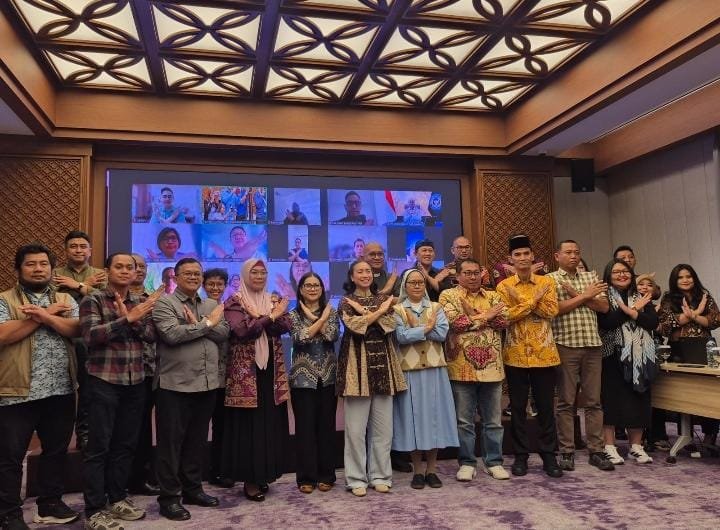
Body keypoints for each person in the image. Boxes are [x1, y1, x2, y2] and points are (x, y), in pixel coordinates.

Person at [0, 244, 80, 530]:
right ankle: (9, 513)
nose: (38, 269)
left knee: (55, 452)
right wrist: (50, 315)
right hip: (16, 391)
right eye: (31, 264)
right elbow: (3, 335)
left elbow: (76, 329)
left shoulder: (65, 298)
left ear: (51, 268)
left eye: (43, 264)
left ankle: (50, 504)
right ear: (18, 269)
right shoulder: (4, 299)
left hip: (61, 389)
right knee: (10, 457)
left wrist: (42, 315)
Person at [80, 253, 158, 530]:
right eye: (119, 267)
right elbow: (90, 336)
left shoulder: (140, 301)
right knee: (98, 448)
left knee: (125, 446)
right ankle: (94, 509)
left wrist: (134, 318)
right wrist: (126, 320)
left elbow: (151, 335)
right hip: (103, 381)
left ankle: (117, 498)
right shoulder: (93, 299)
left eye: (130, 267)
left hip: (135, 381)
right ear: (108, 270)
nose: (125, 271)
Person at [152, 258, 230, 521]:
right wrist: (207, 324)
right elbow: (172, 335)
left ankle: (193, 489)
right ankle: (169, 498)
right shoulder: (165, 303)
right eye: (188, 273)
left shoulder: (210, 304)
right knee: (171, 445)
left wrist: (196, 325)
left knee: (196, 441)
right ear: (175, 276)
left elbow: (223, 334)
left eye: (198, 273)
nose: (194, 277)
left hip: (206, 384)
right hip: (174, 385)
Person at [222, 259, 292, 502]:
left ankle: (265, 474)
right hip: (245, 376)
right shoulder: (234, 301)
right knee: (248, 427)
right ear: (244, 274)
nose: (260, 276)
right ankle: (249, 480)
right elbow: (243, 331)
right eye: (254, 272)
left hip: (270, 372)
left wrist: (261, 317)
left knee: (269, 424)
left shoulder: (272, 298)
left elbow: (285, 325)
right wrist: (270, 316)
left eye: (263, 272)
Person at [337, 260, 407, 496]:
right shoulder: (345, 301)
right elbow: (355, 326)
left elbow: (390, 324)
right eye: (360, 271)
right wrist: (378, 311)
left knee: (383, 430)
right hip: (356, 371)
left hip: (384, 369)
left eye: (368, 271)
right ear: (352, 276)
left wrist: (367, 314)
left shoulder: (382, 298)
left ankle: (380, 476)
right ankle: (356, 478)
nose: (365, 274)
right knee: (355, 431)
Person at [495, 234, 562, 478]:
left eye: (526, 254)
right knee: (518, 408)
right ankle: (520, 456)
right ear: (510, 259)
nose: (522, 258)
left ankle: (549, 455)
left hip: (544, 353)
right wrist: (533, 301)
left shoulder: (547, 282)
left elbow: (551, 311)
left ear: (533, 256)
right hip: (515, 354)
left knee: (545, 407)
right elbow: (505, 317)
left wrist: (521, 303)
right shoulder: (503, 286)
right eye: (517, 255)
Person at [547, 240, 615, 472]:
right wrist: (586, 296)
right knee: (566, 401)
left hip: (593, 345)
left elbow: (604, 307)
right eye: (568, 252)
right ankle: (567, 451)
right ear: (557, 256)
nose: (574, 256)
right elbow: (555, 309)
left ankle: (596, 450)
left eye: (577, 252)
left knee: (594, 401)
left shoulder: (590, 277)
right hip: (565, 345)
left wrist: (578, 295)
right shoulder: (551, 280)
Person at [439, 258, 508, 482]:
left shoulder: (494, 296)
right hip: (461, 367)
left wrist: (473, 316)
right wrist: (487, 316)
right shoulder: (448, 295)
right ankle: (467, 463)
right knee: (464, 422)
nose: (472, 276)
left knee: (493, 422)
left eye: (476, 272)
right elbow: (455, 323)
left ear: (482, 274)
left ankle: (494, 462)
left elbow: (503, 322)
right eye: (467, 273)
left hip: (492, 367)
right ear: (457, 276)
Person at [392, 269, 457, 489]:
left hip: (434, 371)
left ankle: (432, 469)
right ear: (405, 286)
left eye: (420, 282)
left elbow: (441, 334)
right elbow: (401, 337)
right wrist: (427, 328)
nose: (417, 285)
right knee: (413, 421)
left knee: (433, 419)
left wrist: (417, 329)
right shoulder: (398, 309)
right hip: (409, 371)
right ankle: (418, 470)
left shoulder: (436, 307)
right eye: (412, 282)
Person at [597, 258, 658, 465]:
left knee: (638, 399)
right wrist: (632, 311)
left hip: (640, 357)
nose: (622, 275)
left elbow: (652, 322)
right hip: (611, 354)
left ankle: (636, 447)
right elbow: (606, 323)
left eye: (625, 271)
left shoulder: (641, 295)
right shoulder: (603, 296)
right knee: (611, 401)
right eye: (616, 272)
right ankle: (609, 446)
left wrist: (633, 311)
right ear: (608, 276)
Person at [52, 230, 107, 453]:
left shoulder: (100, 274)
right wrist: (86, 285)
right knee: (62, 387)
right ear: (66, 251)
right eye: (73, 246)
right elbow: (54, 300)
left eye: (83, 246)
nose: (78, 250)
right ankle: (58, 438)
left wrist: (76, 285)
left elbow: (105, 299)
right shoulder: (54, 273)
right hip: (60, 336)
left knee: (88, 389)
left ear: (90, 251)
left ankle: (84, 433)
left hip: (89, 339)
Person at [288, 273, 340, 493]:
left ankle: (326, 475)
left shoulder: (332, 312)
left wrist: (317, 321)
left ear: (321, 288)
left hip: (328, 378)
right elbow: (299, 337)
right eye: (308, 285)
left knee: (326, 428)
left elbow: (332, 335)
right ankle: (306, 478)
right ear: (301, 289)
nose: (312, 288)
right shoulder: (292, 314)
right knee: (305, 430)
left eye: (316, 285)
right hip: (302, 380)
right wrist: (317, 318)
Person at [658, 264, 720, 446]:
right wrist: (693, 314)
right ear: (674, 280)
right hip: (678, 348)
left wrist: (694, 316)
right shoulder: (668, 298)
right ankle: (685, 436)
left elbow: (715, 320)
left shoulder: (704, 295)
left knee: (708, 391)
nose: (685, 280)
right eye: (680, 277)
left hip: (704, 347)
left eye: (688, 276)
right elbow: (665, 325)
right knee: (682, 392)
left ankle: (709, 434)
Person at [127, 254, 161, 497]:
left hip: (150, 371)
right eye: (133, 266)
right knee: (124, 427)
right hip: (120, 372)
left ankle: (141, 476)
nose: (138, 270)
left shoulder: (155, 299)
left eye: (142, 266)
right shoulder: (115, 298)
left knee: (144, 426)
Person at [202, 269, 234, 489]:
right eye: (211, 284)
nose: (215, 288)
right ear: (204, 285)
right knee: (199, 427)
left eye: (219, 284)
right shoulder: (199, 306)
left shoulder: (230, 307)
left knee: (222, 427)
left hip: (226, 378)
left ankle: (219, 471)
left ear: (225, 286)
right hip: (202, 376)